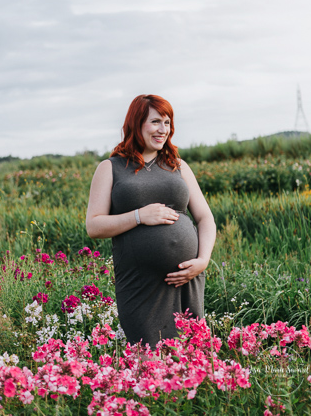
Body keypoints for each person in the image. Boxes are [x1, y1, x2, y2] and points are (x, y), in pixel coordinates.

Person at [86, 94, 216, 347]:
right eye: (156, 122)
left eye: (167, 123)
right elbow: (94, 225)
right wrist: (139, 216)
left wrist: (203, 261)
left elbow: (205, 218)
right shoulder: (110, 168)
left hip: (186, 278)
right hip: (140, 285)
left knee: (192, 356)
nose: (163, 130)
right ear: (136, 123)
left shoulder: (178, 166)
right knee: (149, 360)